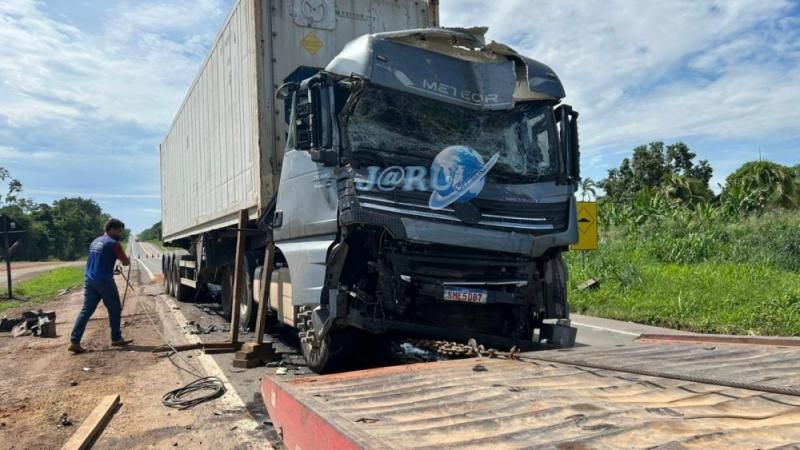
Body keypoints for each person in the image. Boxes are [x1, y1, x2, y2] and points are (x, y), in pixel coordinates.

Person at [68, 218, 133, 353]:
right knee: (115, 308)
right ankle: (116, 338)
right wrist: (127, 260)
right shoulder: (113, 243)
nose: (120, 234)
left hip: (90, 279)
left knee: (86, 311)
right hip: (104, 281)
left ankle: (75, 341)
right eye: (119, 231)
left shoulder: (96, 241)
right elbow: (125, 262)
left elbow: (99, 259)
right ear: (111, 229)